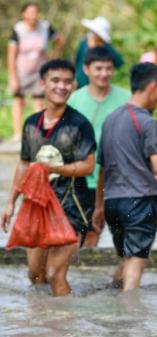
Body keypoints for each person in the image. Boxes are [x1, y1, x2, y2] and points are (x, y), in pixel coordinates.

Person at [1, 59, 96, 296]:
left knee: (55, 273)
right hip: (37, 206)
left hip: (71, 207)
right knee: (36, 275)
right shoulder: (31, 123)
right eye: (55, 80)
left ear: (73, 85)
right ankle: (44, 326)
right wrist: (11, 201)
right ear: (42, 84)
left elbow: (88, 166)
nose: (61, 86)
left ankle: (65, 327)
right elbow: (24, 164)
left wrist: (53, 169)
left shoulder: (80, 124)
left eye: (67, 82)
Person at [92, 63, 157, 291]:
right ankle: (129, 320)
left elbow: (103, 169)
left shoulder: (110, 120)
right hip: (139, 202)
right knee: (135, 266)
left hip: (112, 203)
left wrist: (99, 206)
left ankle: (109, 298)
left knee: (127, 258)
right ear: (153, 87)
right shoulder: (146, 122)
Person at [68, 47, 130, 247]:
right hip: (82, 178)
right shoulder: (74, 99)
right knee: (80, 233)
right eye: (99, 68)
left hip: (116, 179)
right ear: (86, 69)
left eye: (109, 69)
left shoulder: (127, 99)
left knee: (110, 233)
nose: (104, 74)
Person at [7, 2, 64, 146]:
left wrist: (53, 55)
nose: (33, 15)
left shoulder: (44, 27)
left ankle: (38, 133)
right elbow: (11, 55)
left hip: (40, 70)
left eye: (35, 12)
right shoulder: (18, 29)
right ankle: (18, 134)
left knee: (39, 102)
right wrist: (13, 77)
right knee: (19, 101)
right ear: (23, 14)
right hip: (21, 70)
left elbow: (59, 40)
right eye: (30, 12)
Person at [74, 17, 124, 88]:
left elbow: (119, 62)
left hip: (98, 84)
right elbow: (77, 60)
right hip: (80, 82)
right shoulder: (84, 42)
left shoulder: (107, 47)